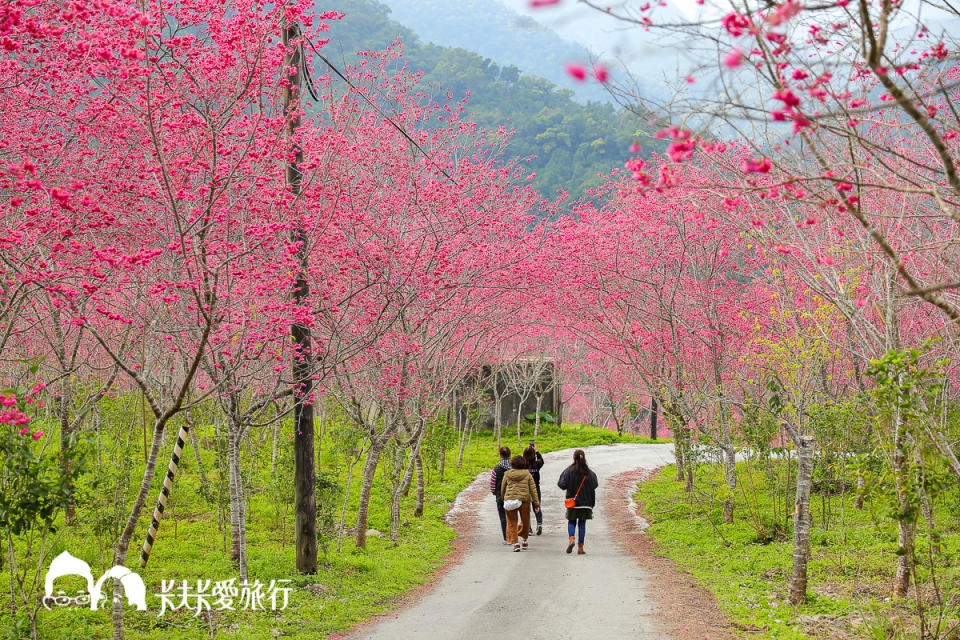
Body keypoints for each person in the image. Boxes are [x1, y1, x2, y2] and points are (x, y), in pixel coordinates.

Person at [557, 449, 598, 555]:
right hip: (586, 503)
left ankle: (571, 539)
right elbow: (595, 485)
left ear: (574, 458)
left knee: (571, 522)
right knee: (582, 524)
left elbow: (561, 485)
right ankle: (580, 548)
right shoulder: (590, 472)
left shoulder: (568, 471)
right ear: (584, 457)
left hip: (573, 503)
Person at [501, 454, 540, 552]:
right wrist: (536, 504)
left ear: (512, 463)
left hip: (510, 500)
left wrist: (504, 499)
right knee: (525, 521)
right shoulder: (527, 474)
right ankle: (524, 540)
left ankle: (516, 544)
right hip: (524, 501)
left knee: (511, 522)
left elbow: (503, 488)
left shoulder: (507, 474)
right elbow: (533, 489)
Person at [489, 446, 512, 545]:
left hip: (500, 497)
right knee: (512, 517)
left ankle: (507, 538)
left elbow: (492, 483)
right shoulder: (515, 467)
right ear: (510, 455)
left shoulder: (496, 468)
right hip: (513, 496)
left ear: (500, 455)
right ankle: (514, 536)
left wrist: (495, 492)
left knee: (503, 518)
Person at [523, 443, 545, 535]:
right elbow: (542, 461)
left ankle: (529, 528)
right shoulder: (537, 464)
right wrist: (537, 451)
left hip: (525, 489)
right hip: (536, 489)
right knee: (537, 506)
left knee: (526, 509)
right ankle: (539, 523)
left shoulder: (523, 465)